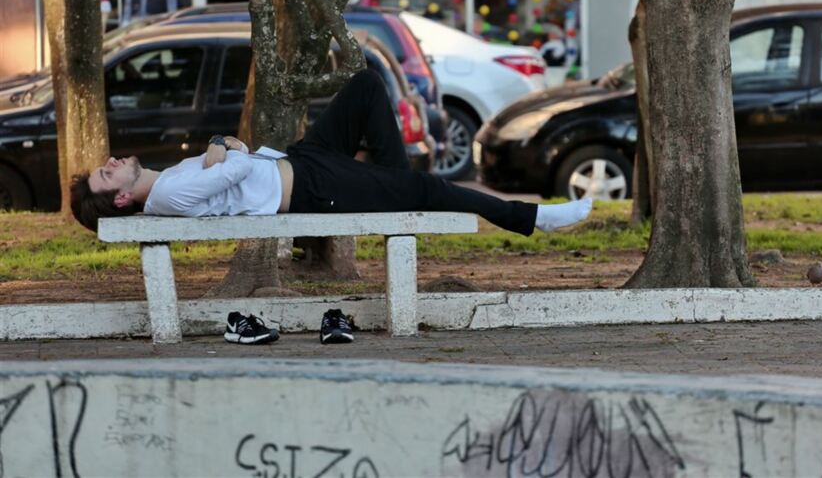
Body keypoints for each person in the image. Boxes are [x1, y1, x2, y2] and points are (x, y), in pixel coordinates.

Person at [70, 69, 593, 345]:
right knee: (427, 189)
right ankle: (531, 217)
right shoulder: (167, 195)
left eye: (106, 164)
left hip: (301, 161)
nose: (112, 161)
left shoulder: (167, 179)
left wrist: (220, 142)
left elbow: (233, 154)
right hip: (314, 188)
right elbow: (236, 166)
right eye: (107, 173)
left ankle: (399, 187)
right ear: (122, 198)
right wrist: (224, 147)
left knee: (364, 86)